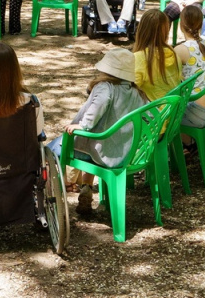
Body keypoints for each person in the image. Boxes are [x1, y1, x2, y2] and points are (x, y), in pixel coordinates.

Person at [45, 48, 146, 213]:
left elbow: (99, 104)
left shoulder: (105, 87)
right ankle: (86, 185)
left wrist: (83, 125)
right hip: (122, 151)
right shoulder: (136, 92)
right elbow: (148, 115)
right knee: (91, 140)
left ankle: (54, 198)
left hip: (99, 150)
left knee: (50, 151)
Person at [173, 5, 205, 130]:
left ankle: (188, 144)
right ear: (201, 25)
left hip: (197, 113)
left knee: (162, 118)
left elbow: (172, 83)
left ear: (181, 25)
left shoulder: (180, 50)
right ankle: (190, 143)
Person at [132, 9, 182, 101]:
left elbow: (130, 90)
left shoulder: (140, 58)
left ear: (141, 30)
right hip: (173, 111)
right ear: (166, 32)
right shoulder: (174, 54)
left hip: (152, 114)